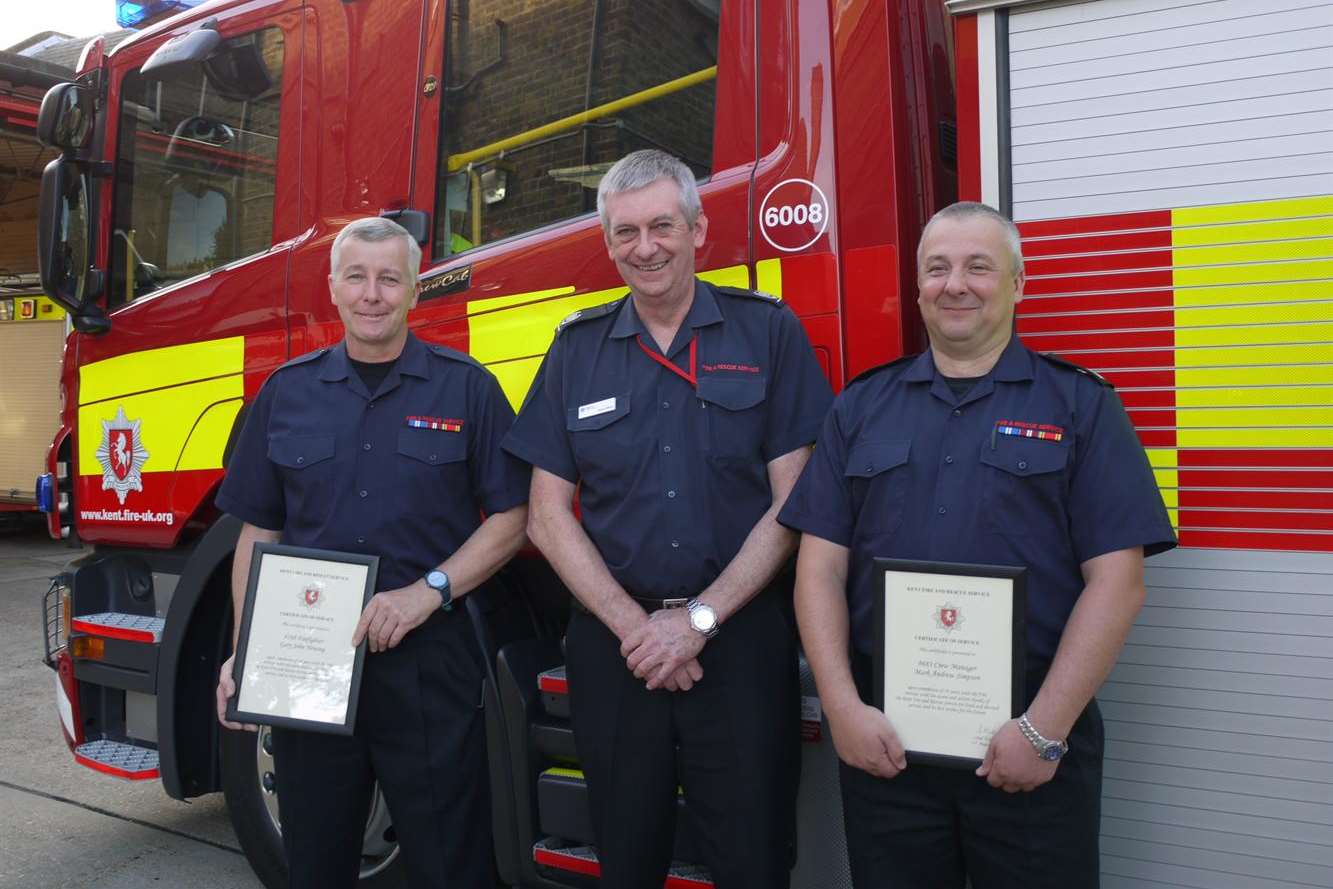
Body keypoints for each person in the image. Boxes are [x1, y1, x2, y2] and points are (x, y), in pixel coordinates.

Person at [778, 201, 1177, 888]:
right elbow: (817, 569)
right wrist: (841, 708)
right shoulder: (859, 407)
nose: (953, 283)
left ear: (1017, 284)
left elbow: (1118, 581)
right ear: (916, 288)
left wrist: (1042, 729)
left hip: (1032, 737)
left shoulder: (1080, 407)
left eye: (977, 267)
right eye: (936, 268)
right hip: (885, 740)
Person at [502, 149, 833, 889]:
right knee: (626, 852)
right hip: (615, 648)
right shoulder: (575, 349)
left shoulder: (766, 333)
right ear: (609, 242)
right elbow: (546, 513)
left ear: (697, 229)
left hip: (740, 639)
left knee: (753, 855)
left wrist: (699, 620)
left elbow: (795, 499)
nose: (644, 247)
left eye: (661, 226)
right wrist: (635, 628)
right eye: (625, 232)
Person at [213, 216, 530, 889]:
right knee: (315, 859)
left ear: (416, 289)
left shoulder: (466, 387)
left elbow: (514, 517)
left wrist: (428, 591)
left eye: (390, 278)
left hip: (426, 661)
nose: (373, 293)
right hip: (307, 665)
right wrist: (245, 650)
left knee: (451, 863)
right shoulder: (286, 392)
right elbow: (257, 532)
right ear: (333, 288)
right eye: (356, 276)